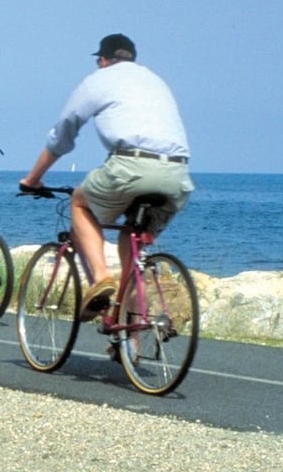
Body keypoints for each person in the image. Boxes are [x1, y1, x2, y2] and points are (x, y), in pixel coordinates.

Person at [18, 34, 194, 319]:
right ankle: (129, 337)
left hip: (132, 166)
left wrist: (32, 179)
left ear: (102, 60)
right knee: (131, 247)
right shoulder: (155, 80)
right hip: (178, 175)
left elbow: (63, 133)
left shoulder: (99, 80)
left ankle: (100, 279)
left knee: (79, 203)